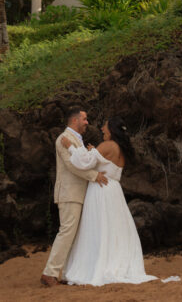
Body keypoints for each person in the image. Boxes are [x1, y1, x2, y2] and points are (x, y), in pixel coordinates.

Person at [60, 116, 158, 286]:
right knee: (113, 228)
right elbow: (100, 160)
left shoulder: (106, 145)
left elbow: (83, 163)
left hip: (100, 191)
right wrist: (93, 151)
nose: (102, 129)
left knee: (97, 227)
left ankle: (96, 265)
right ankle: (115, 261)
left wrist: (71, 148)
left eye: (104, 127)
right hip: (114, 191)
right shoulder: (120, 148)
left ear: (111, 130)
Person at [40, 107, 108, 287]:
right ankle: (49, 273)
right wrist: (95, 176)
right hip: (69, 193)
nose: (87, 122)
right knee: (67, 232)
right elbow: (73, 166)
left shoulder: (76, 139)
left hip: (78, 193)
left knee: (73, 234)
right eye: (84, 119)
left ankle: (64, 273)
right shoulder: (64, 139)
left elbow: (83, 161)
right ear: (74, 120)